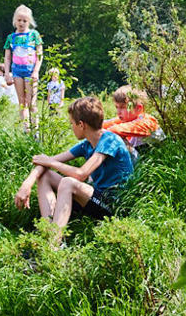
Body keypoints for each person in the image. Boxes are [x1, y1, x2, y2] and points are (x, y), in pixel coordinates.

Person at [15, 95, 134, 236]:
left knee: (68, 183)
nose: (71, 127)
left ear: (81, 125)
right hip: (95, 198)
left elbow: (81, 174)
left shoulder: (110, 140)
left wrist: (50, 162)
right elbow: (46, 162)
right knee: (45, 175)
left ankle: (54, 243)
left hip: (113, 205)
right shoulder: (87, 144)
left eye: (72, 123)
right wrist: (27, 184)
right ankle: (48, 232)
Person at [3, 6, 44, 127]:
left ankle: (35, 129)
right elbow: (7, 57)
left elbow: (40, 54)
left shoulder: (34, 35)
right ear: (15, 20)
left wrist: (36, 71)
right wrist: (7, 74)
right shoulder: (11, 37)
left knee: (31, 102)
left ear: (29, 21)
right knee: (22, 102)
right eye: (19, 20)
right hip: (17, 71)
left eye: (24, 21)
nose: (21, 23)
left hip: (30, 71)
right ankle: (26, 129)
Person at [106, 85, 165, 152]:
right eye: (117, 107)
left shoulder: (148, 121)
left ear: (138, 108)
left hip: (150, 156)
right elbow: (104, 124)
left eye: (122, 107)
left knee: (115, 138)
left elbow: (114, 130)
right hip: (139, 154)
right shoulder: (127, 120)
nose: (118, 112)